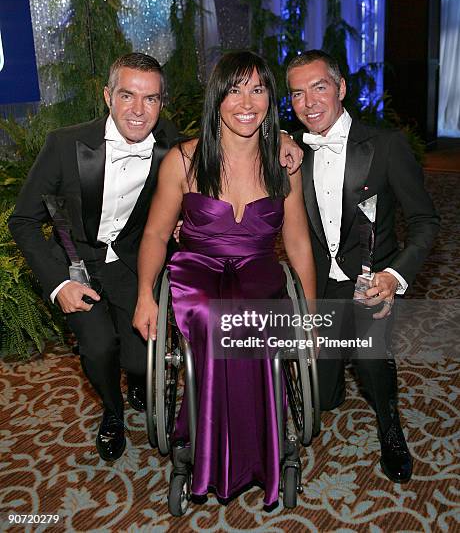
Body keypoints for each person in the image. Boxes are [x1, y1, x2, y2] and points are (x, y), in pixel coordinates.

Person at [8, 51, 303, 463]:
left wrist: (284, 139)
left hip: (132, 262)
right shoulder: (63, 145)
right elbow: (22, 220)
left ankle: (136, 380)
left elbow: (235, 131)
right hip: (78, 264)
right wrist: (59, 282)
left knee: (141, 360)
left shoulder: (172, 147)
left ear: (162, 103)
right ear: (108, 95)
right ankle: (111, 413)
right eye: (128, 96)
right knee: (97, 348)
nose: (138, 110)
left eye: (150, 99)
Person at [133, 50, 316, 506]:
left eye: (257, 89)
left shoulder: (283, 162)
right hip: (197, 269)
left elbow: (296, 245)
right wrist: (143, 295)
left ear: (270, 100)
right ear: (217, 98)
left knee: (252, 317)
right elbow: (156, 233)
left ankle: (252, 449)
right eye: (235, 89)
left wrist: (311, 314)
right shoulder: (183, 160)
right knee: (218, 321)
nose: (246, 101)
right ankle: (218, 447)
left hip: (256, 268)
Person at [286, 49, 440, 483]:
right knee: (327, 398)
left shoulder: (386, 146)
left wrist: (394, 276)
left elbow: (427, 221)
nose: (309, 102)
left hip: (372, 282)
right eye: (297, 93)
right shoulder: (293, 151)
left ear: (341, 88)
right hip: (322, 285)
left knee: (373, 364)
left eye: (319, 87)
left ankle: (390, 425)